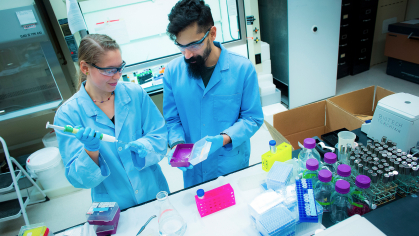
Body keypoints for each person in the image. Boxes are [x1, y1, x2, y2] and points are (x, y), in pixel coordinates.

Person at [54, 34, 169, 210]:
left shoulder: (135, 94)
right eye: (108, 70)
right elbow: (78, 179)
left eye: (120, 67)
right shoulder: (67, 115)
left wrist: (145, 146)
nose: (117, 76)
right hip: (113, 204)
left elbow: (160, 135)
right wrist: (90, 152)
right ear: (85, 67)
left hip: (152, 190)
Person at [164, 0, 264, 188]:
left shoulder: (243, 69)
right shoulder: (172, 72)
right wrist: (177, 144)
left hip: (229, 164)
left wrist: (224, 138)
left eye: (193, 45)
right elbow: (172, 120)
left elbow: (252, 118)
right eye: (181, 46)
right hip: (193, 168)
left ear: (212, 33)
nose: (186, 55)